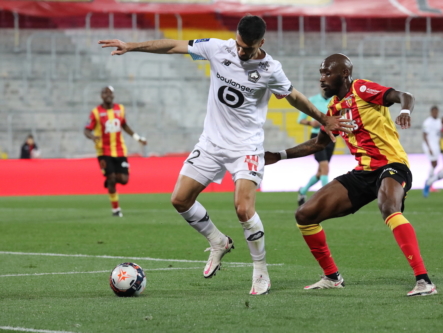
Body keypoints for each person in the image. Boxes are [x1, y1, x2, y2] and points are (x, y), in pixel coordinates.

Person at [98, 15, 351, 295]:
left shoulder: (270, 68)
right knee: (180, 199)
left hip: (247, 147)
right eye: (240, 46)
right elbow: (173, 46)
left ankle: (260, 272)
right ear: (236, 38)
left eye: (249, 48)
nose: (243, 52)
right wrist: (132, 46)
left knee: (243, 209)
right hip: (211, 143)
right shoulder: (217, 48)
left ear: (262, 43)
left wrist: (322, 118)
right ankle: (218, 241)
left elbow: (293, 96)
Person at [265, 53, 437, 297]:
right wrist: (278, 155)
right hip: (362, 172)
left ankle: (424, 281)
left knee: (388, 206)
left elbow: (403, 96)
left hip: (392, 165)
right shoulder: (333, 109)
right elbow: (317, 144)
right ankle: (332, 277)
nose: (321, 79)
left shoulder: (361, 89)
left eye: (327, 73)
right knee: (305, 214)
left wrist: (406, 110)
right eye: (320, 74)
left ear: (344, 73)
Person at [84, 86, 147, 217]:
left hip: (119, 150)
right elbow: (86, 130)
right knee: (112, 178)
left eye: (110, 93)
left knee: (124, 179)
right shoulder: (96, 112)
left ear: (113, 95)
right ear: (101, 96)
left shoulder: (120, 109)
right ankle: (116, 209)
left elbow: (124, 125)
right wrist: (92, 137)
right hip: (103, 150)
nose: (108, 95)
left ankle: (109, 180)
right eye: (105, 93)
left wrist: (138, 138)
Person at [297, 89, 334, 206]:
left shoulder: (335, 100)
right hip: (317, 137)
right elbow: (300, 119)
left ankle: (303, 191)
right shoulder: (313, 100)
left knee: (320, 171)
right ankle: (326, 198)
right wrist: (310, 123)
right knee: (325, 168)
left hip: (331, 136)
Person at [422, 106, 442, 192]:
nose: (435, 113)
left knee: (435, 164)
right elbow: (424, 136)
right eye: (434, 112)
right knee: (434, 163)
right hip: (429, 145)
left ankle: (429, 182)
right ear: (431, 112)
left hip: (436, 145)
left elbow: (440, 133)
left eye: (436, 112)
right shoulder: (427, 122)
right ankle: (429, 183)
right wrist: (429, 148)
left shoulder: (439, 121)